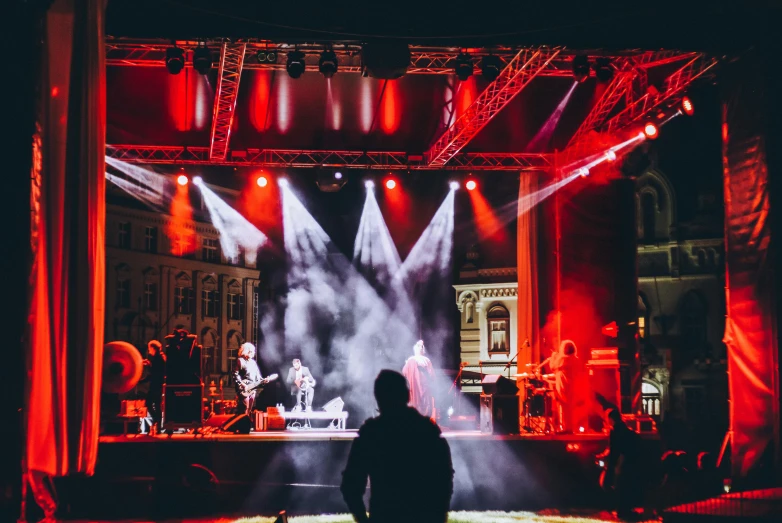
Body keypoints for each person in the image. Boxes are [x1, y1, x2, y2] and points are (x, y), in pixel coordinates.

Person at [341, 370, 453, 523]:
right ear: (408, 395)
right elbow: (445, 480)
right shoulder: (427, 431)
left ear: (377, 397)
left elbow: (350, 486)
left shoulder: (371, 433)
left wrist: (363, 519)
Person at [598, 408, 645, 520]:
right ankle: (626, 509)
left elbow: (614, 449)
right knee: (626, 486)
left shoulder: (615, 431)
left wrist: (610, 465)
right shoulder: (626, 429)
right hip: (631, 461)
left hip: (622, 462)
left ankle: (622, 511)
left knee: (620, 486)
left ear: (610, 419)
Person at [550, 340, 589, 433]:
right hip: (573, 387)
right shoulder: (576, 359)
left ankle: (566, 429)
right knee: (570, 410)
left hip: (564, 387)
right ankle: (570, 428)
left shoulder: (563, 359)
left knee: (564, 409)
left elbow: (552, 366)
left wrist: (553, 356)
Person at [401, 340, 435, 418]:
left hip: (415, 386)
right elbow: (432, 375)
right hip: (423, 385)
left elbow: (404, 372)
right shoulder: (426, 360)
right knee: (425, 403)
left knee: (415, 403)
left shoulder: (410, 360)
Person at [233, 342, 263, 415]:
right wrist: (241, 384)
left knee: (250, 409)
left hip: (253, 388)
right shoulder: (240, 361)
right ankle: (243, 424)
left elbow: (258, 375)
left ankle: (248, 424)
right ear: (248, 351)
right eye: (252, 351)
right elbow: (235, 374)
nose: (254, 353)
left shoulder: (253, 362)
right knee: (244, 408)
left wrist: (263, 380)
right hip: (244, 388)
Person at [143, 339, 166, 433]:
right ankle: (158, 426)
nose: (149, 351)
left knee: (149, 403)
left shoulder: (158, 359)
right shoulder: (159, 358)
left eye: (149, 349)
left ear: (153, 348)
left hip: (155, 385)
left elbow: (154, 373)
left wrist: (148, 366)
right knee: (157, 405)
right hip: (158, 384)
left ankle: (156, 421)